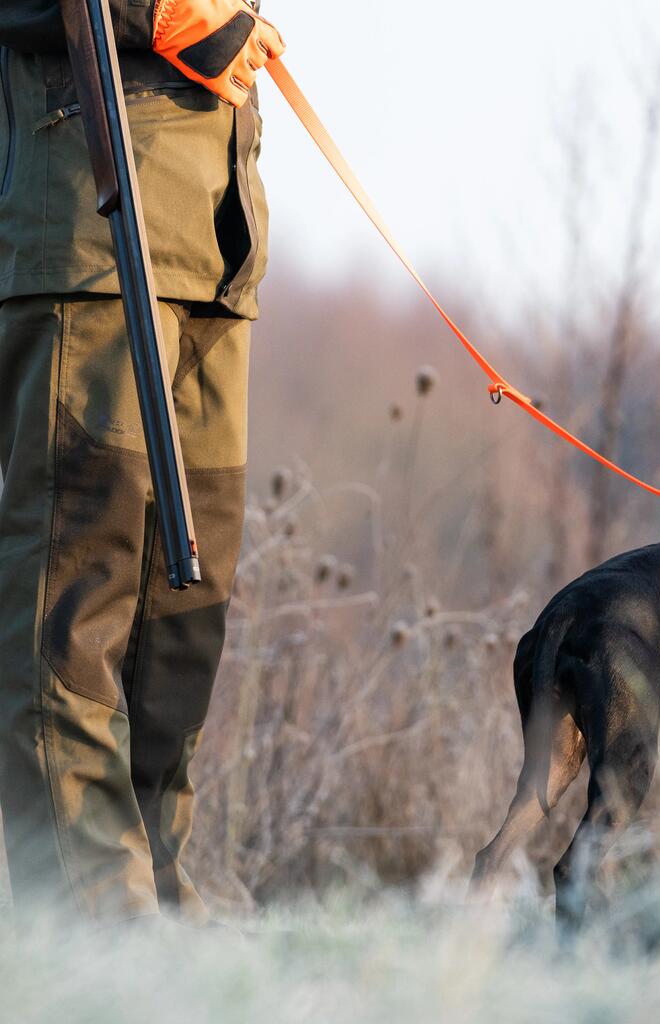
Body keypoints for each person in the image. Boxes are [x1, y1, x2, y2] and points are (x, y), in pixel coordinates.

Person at [0, 0, 283, 927]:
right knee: (71, 607)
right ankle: (90, 936)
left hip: (213, 236)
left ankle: (161, 918)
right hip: (87, 223)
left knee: (184, 620)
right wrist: (157, 9)